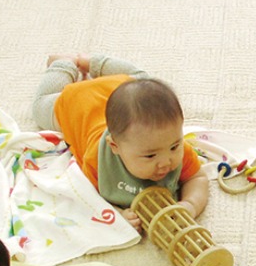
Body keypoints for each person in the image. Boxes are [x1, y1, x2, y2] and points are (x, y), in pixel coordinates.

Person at [32, 53, 208, 233]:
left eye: (174, 147)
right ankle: (64, 64)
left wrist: (190, 205)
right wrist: (116, 214)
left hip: (123, 86)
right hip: (80, 103)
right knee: (39, 108)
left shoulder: (173, 145)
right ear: (115, 147)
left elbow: (198, 178)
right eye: (150, 155)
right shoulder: (98, 161)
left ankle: (92, 63)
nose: (166, 161)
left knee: (145, 81)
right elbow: (87, 198)